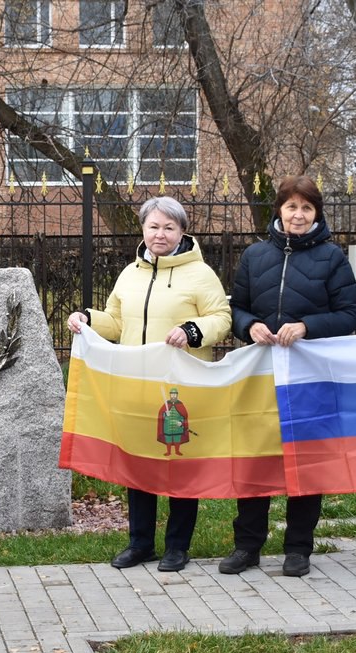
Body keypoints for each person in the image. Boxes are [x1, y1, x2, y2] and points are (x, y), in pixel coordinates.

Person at [67, 196, 231, 573]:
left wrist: (192, 331)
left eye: (169, 227)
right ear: (143, 229)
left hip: (179, 387)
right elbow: (116, 321)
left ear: (182, 232)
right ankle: (140, 543)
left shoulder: (200, 274)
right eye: (154, 226)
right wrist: (87, 318)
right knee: (137, 463)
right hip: (135, 385)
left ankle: (177, 546)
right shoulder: (130, 274)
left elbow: (221, 318)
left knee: (179, 464)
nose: (160, 234)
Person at [218, 175, 356, 578]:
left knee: (307, 461)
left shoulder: (332, 258)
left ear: (316, 214)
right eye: (291, 206)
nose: (298, 215)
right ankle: (247, 546)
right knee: (256, 461)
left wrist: (306, 327)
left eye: (307, 208)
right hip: (260, 374)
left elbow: (351, 314)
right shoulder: (255, 256)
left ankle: (298, 548)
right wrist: (249, 327)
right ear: (278, 210)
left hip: (310, 377)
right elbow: (237, 309)